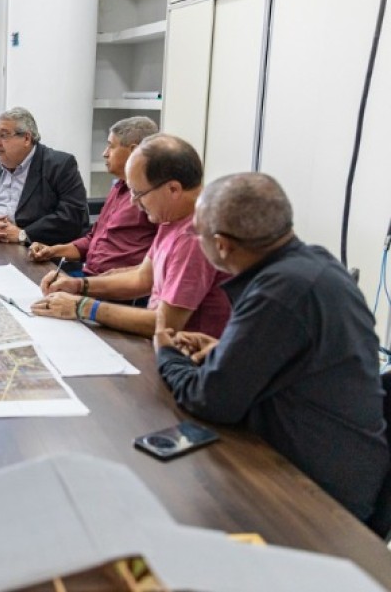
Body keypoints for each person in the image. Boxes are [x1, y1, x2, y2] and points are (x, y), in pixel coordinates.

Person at [154, 173, 388, 522]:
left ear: (221, 245)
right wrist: (225, 349)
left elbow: (210, 399)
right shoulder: (315, 265)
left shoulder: (278, 292)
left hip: (315, 498)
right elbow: (299, 360)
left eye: (196, 234)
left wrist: (167, 353)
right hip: (339, 459)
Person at [32, 134, 230, 339]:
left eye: (139, 193)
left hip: (182, 354)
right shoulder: (172, 218)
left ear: (173, 189)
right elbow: (142, 278)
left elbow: (165, 325)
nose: (134, 202)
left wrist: (83, 306)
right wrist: (79, 285)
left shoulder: (194, 237)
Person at [28, 116, 158, 276]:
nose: (105, 153)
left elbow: (154, 267)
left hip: (112, 285)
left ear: (134, 151)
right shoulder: (118, 187)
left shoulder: (153, 197)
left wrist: (85, 285)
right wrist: (51, 251)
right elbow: (92, 240)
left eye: (111, 146)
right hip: (89, 276)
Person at [0, 107, 88, 246]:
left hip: (40, 251)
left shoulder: (59, 166)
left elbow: (71, 217)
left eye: (4, 135)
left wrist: (23, 234)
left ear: (26, 138)